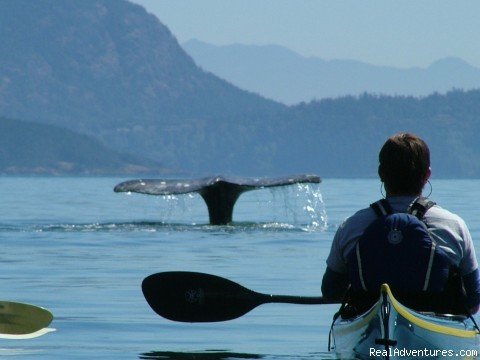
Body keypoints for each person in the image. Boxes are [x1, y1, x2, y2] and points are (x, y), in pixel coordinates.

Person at [321, 132, 480, 314]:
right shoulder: (453, 225)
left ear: (381, 173)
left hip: (370, 330)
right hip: (433, 331)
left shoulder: (351, 226)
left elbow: (331, 293)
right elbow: (473, 302)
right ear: (427, 174)